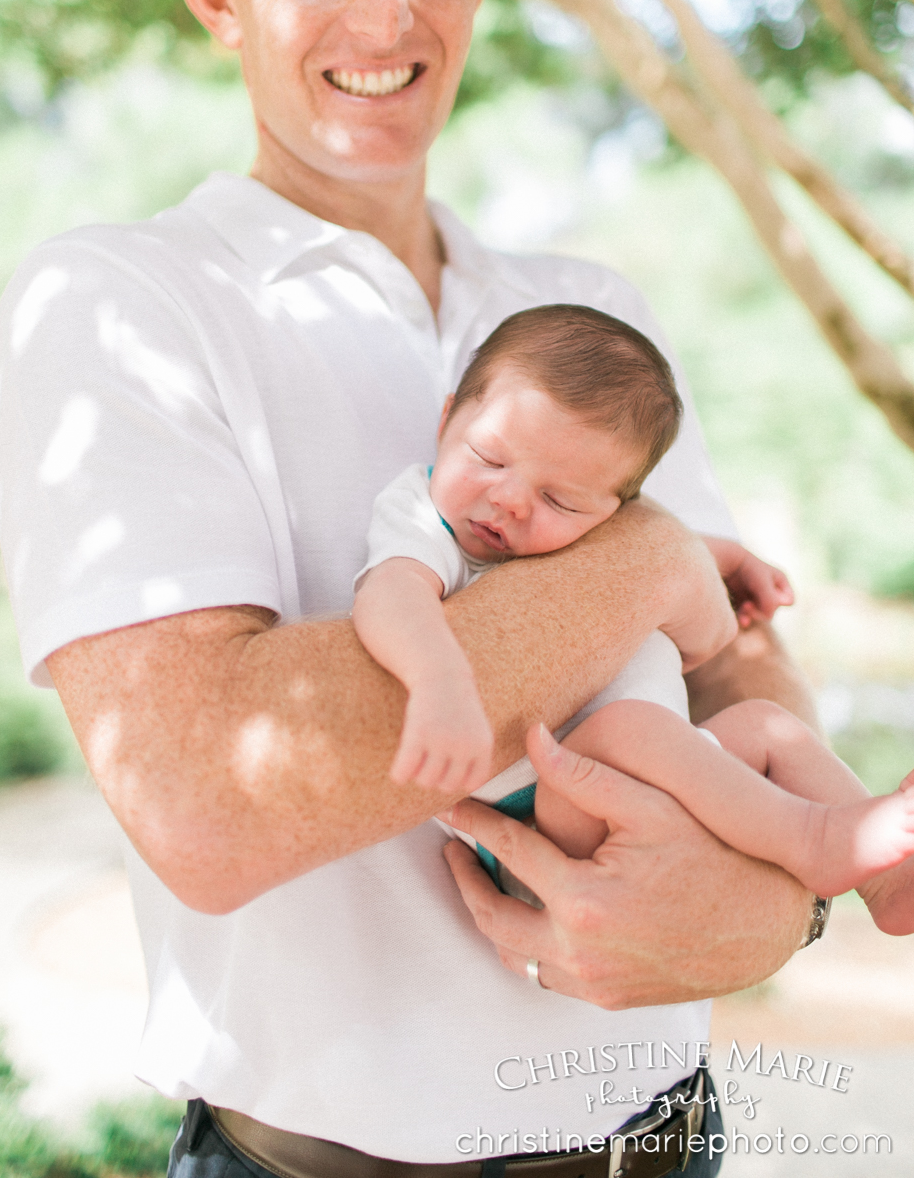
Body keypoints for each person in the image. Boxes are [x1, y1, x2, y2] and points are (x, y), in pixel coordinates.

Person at [0, 0, 834, 1178]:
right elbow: (207, 800)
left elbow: (734, 664)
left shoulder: (589, 310)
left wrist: (782, 906)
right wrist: (630, 558)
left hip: (671, 1143)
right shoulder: (121, 301)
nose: (386, 17)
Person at [355, 305, 914, 936]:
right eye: (488, 457)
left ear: (616, 507)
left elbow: (657, 550)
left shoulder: (593, 523)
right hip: (544, 812)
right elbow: (390, 593)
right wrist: (438, 681)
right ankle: (814, 840)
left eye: (558, 499)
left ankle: (888, 880)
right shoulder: (422, 517)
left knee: (769, 728)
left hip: (653, 774)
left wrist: (726, 562)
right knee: (624, 728)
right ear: (446, 419)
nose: (510, 498)